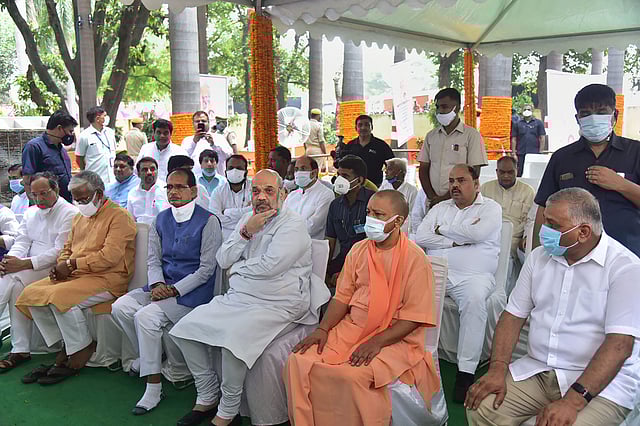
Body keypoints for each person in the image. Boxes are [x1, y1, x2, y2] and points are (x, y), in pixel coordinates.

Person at [466, 188, 640, 426]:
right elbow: (513, 316)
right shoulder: (538, 257)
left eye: (552, 225)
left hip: (600, 385)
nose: (543, 230)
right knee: (482, 407)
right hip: (539, 370)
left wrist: (573, 402)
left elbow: (619, 345)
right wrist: (497, 369)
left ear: (583, 232)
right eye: (545, 220)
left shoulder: (625, 268)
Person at [170, 169, 325, 426]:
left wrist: (238, 269)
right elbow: (223, 259)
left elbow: (270, 266)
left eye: (269, 190)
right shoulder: (248, 219)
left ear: (283, 194)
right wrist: (245, 233)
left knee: (234, 340)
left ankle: (228, 411)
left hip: (279, 303)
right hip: (240, 297)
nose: (261, 197)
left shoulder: (293, 224)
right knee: (184, 330)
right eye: (256, 191)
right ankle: (208, 395)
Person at [285, 190, 440, 425]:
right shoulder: (358, 250)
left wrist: (377, 342)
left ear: (398, 221)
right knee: (298, 361)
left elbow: (414, 317)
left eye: (379, 214)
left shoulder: (416, 259)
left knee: (352, 375)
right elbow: (341, 297)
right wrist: (323, 330)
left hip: (394, 337)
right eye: (369, 212)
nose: (370, 219)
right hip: (352, 327)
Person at [112, 168, 222, 415]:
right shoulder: (161, 219)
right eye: (169, 187)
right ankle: (151, 358)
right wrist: (158, 285)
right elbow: (153, 260)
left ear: (194, 191)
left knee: (146, 317)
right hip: (162, 286)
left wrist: (173, 290)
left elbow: (206, 270)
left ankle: (153, 387)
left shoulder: (209, 221)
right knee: (120, 307)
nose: (173, 192)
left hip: (193, 293)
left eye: (180, 187)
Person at [16, 171, 136, 384]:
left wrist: (71, 265)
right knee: (30, 294)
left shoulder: (120, 216)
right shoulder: (80, 217)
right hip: (77, 275)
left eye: (84, 199)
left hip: (108, 278)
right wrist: (61, 265)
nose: (80, 203)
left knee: (58, 298)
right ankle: (67, 346)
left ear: (99, 194)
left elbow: (110, 257)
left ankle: (79, 351)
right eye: (76, 199)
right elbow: (67, 247)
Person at [415, 164, 502, 402]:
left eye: (461, 180)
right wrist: (454, 241)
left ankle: (465, 373)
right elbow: (421, 236)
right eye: (452, 180)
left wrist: (441, 229)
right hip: (436, 271)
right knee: (408, 292)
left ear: (476, 184)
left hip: (474, 277)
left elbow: (478, 234)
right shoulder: (440, 207)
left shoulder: (491, 208)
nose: (454, 185)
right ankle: (413, 358)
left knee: (474, 301)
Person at [533, 83, 640, 258]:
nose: (593, 118)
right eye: (586, 113)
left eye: (601, 112)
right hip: (573, 256)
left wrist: (620, 184)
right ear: (577, 118)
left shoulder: (635, 152)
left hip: (627, 253)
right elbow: (544, 207)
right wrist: (537, 254)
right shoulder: (562, 157)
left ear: (615, 115)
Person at [0, 172, 78, 372]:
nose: (39, 199)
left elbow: (60, 251)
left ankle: (20, 350)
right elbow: (22, 241)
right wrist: (10, 261)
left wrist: (23, 264)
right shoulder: (30, 212)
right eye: (34, 194)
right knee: (15, 285)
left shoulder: (69, 212)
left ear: (56, 189)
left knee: (11, 277)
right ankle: (20, 349)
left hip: (54, 269)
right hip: (27, 267)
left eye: (44, 193)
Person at [418, 88, 488, 208]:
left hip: (460, 201)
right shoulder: (431, 136)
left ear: (457, 107)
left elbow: (474, 172)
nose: (440, 111)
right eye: (438, 107)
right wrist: (432, 197)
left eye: (444, 107)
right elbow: (423, 169)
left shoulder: (471, 135)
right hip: (433, 201)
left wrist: (445, 198)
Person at [325, 155, 376, 285]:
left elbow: (376, 245)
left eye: (345, 176)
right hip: (342, 260)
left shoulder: (373, 202)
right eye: (338, 175)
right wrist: (324, 270)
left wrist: (347, 273)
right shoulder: (335, 205)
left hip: (368, 262)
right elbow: (330, 241)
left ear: (359, 180)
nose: (339, 180)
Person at [481, 156, 535, 258]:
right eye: (502, 172)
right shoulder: (485, 188)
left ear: (516, 171)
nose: (506, 176)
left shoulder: (527, 191)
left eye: (510, 172)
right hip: (488, 238)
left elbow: (530, 221)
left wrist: (526, 237)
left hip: (514, 240)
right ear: (497, 172)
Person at [22, 110, 77, 202]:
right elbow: (27, 179)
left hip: (64, 203)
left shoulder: (61, 149)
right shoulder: (34, 147)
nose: (71, 135)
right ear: (59, 128)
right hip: (46, 204)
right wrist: (36, 202)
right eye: (70, 131)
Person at [282, 155, 334, 240]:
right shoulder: (292, 195)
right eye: (296, 169)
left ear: (314, 173)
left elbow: (312, 227)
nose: (298, 172)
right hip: (288, 241)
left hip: (312, 245)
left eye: (303, 169)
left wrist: (287, 229)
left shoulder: (326, 194)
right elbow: (281, 219)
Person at [209, 155, 252, 240]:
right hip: (225, 240)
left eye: (239, 168)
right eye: (231, 168)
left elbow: (256, 212)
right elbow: (215, 219)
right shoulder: (218, 192)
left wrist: (226, 212)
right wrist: (245, 221)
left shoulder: (255, 189)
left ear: (246, 172)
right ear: (225, 172)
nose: (234, 171)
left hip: (251, 239)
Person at [346, 114, 394, 187]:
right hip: (354, 185)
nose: (363, 127)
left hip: (375, 185)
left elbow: (392, 164)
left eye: (367, 125)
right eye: (360, 125)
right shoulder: (350, 145)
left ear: (372, 127)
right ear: (356, 128)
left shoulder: (381, 145)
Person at [75, 106, 117, 185]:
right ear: (97, 119)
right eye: (104, 116)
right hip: (95, 179)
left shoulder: (110, 132)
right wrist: (86, 172)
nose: (107, 118)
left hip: (112, 178)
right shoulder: (84, 136)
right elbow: (79, 158)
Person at [188, 111, 234, 177]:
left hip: (218, 180)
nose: (200, 123)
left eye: (203, 121)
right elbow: (184, 159)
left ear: (208, 123)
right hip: (196, 180)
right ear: (193, 124)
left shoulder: (219, 138)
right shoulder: (188, 141)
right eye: (197, 121)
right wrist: (194, 142)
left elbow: (229, 156)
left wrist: (213, 145)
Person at [380, 158, 418, 233]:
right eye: (386, 169)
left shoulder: (411, 190)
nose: (386, 172)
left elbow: (413, 214)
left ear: (400, 172)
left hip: (404, 228)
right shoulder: (384, 187)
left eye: (390, 169)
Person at [127, 157, 169, 224]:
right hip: (139, 229)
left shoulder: (166, 190)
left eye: (152, 169)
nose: (149, 172)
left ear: (157, 171)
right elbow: (131, 220)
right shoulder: (132, 193)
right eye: (145, 170)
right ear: (138, 174)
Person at [512, 104, 545, 176]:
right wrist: (514, 153)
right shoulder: (517, 124)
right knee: (520, 173)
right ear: (522, 111)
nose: (527, 111)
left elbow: (542, 138)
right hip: (521, 153)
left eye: (529, 109)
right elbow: (514, 139)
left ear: (532, 111)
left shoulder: (538, 123)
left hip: (534, 153)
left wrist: (541, 152)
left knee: (534, 172)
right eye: (525, 109)